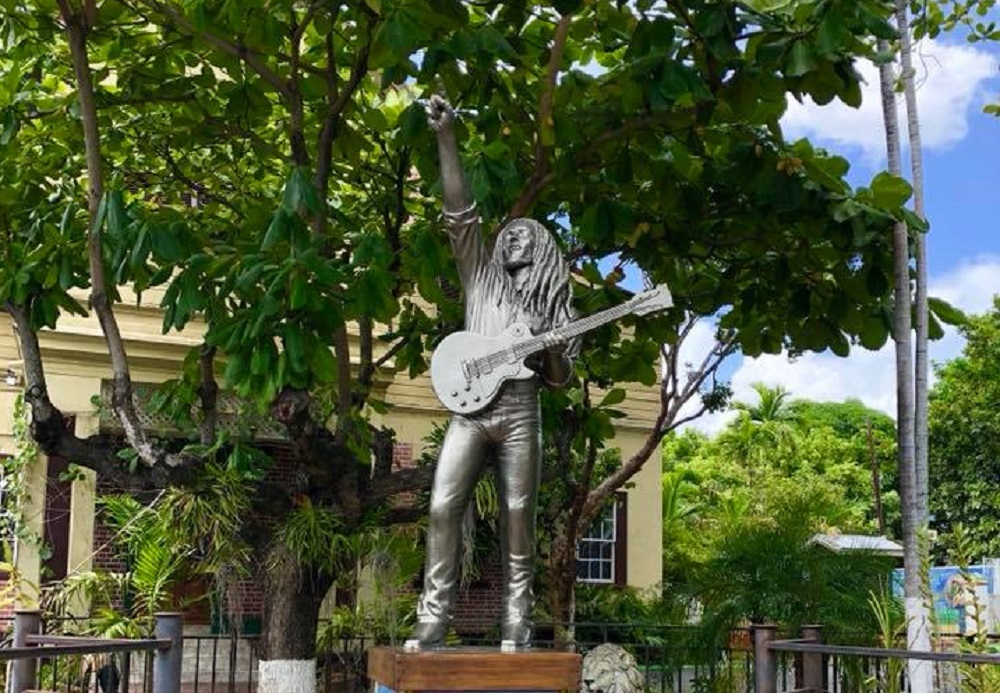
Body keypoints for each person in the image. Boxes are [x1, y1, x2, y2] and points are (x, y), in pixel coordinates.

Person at [405, 95, 576, 651]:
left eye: (529, 234)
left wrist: (547, 345)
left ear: (545, 251)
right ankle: (434, 617)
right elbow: (460, 211)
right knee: (441, 505)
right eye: (511, 232)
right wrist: (446, 138)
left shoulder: (552, 305)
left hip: (523, 411)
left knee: (519, 518)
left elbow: (559, 378)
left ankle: (516, 622)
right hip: (471, 409)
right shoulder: (481, 278)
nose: (516, 236)